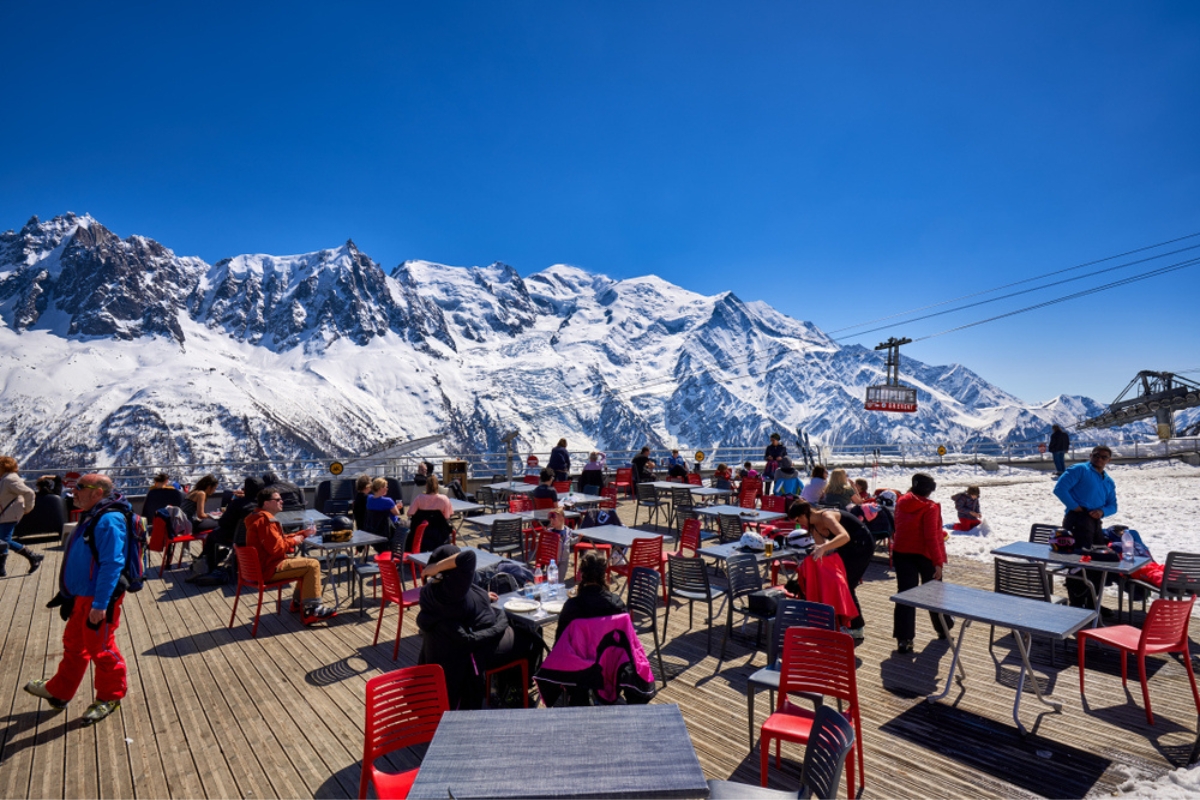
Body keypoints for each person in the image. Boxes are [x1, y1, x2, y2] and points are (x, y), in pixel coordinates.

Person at [23, 474, 129, 725]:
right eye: (74, 488)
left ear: (97, 493)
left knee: (100, 649)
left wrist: (100, 605)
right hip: (83, 597)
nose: (74, 493)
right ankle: (60, 691)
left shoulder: (109, 520)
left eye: (80, 488)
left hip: (98, 600)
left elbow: (112, 564)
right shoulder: (93, 514)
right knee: (74, 643)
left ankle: (109, 697)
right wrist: (69, 593)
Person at [418, 544, 538, 709]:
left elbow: (465, 599)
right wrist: (432, 568)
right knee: (531, 638)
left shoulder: (433, 590)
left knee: (519, 630)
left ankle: (504, 685)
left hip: (460, 651)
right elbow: (468, 557)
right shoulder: (452, 591)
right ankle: (514, 691)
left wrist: (484, 596)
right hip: (481, 646)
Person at [244, 488, 336, 624]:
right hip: (269, 568)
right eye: (277, 499)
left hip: (264, 566)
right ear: (266, 503)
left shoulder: (258, 517)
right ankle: (312, 610)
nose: (282, 501)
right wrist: (294, 541)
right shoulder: (265, 521)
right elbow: (276, 548)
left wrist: (303, 534)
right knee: (312, 565)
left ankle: (299, 603)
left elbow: (278, 540)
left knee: (307, 563)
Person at [787, 500, 873, 641]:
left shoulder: (826, 516)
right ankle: (843, 621)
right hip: (846, 547)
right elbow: (821, 550)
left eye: (798, 520)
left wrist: (824, 548)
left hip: (862, 544)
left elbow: (844, 536)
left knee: (848, 584)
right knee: (837, 582)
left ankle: (857, 628)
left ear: (804, 514)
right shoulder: (813, 527)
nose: (800, 524)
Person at [1053, 445, 1118, 612]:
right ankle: (1076, 604)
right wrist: (1074, 507)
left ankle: (1091, 602)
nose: (1099, 459)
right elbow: (1060, 489)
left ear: (1109, 460)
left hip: (1095, 523)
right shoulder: (1079, 470)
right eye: (1096, 455)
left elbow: (1113, 505)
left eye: (1104, 457)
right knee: (1077, 562)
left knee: (1096, 562)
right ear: (1091, 455)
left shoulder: (1108, 481)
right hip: (1077, 520)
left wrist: (1102, 511)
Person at [892, 473, 950, 653]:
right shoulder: (930, 507)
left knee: (905, 595)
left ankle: (904, 638)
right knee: (933, 592)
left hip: (902, 552)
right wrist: (938, 562)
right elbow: (931, 537)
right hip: (924, 554)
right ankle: (943, 628)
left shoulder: (902, 502)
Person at [198, 476, 262, 578]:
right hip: (257, 538)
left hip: (235, 538)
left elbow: (223, 523)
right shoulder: (264, 504)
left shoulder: (238, 503)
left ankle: (209, 566)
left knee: (212, 536)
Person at [1, 457, 43, 577]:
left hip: (10, 514)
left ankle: (33, 556)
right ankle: (1, 569)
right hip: (6, 514)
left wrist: (27, 509)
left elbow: (29, 492)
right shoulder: (5, 479)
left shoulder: (10, 479)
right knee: (3, 540)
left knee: (4, 540)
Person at [407, 475, 454, 553]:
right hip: (439, 534)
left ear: (426, 486)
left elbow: (409, 513)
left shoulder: (419, 498)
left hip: (422, 534)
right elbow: (448, 516)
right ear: (437, 486)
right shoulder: (444, 499)